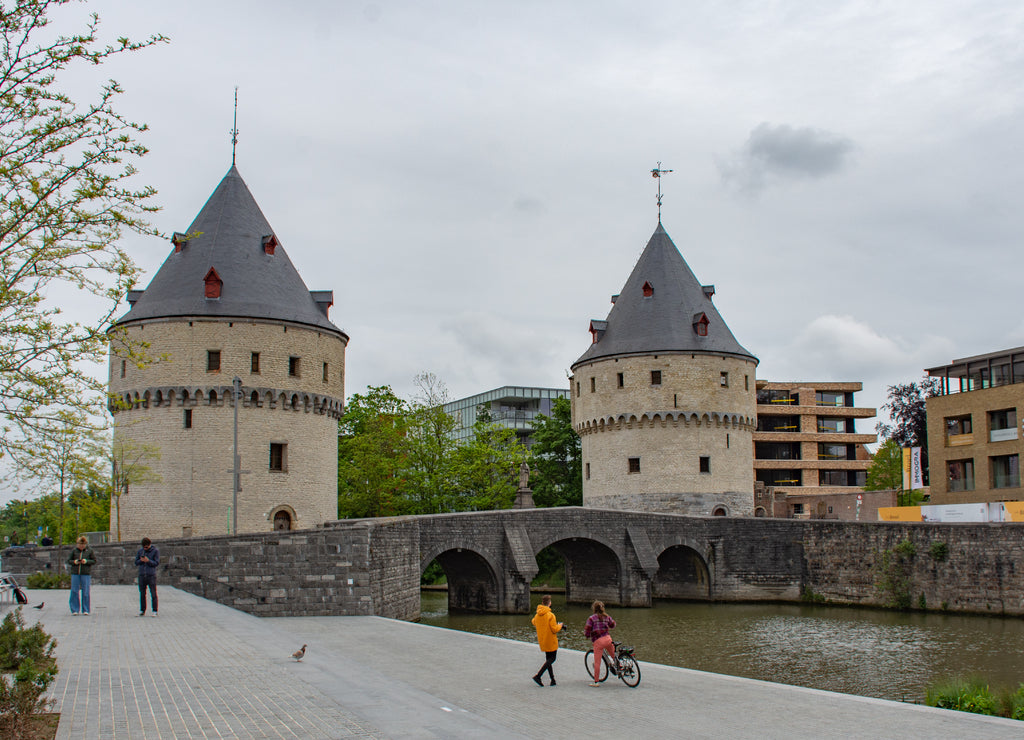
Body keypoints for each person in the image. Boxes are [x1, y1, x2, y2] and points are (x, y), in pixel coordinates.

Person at [531, 594, 563, 686]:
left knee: (548, 660)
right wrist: (560, 626)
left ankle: (552, 680)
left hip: (543, 640)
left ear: (542, 603)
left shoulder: (537, 615)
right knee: (552, 659)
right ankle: (538, 676)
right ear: (549, 603)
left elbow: (533, 622)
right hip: (550, 640)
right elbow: (554, 629)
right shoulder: (550, 615)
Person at [584, 600, 617, 686]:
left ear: (594, 609)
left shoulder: (591, 618)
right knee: (613, 655)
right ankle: (619, 666)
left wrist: (587, 635)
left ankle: (596, 682)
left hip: (598, 641)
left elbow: (587, 629)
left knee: (597, 662)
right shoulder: (606, 617)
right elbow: (613, 625)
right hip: (608, 639)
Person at [67, 536, 96, 615]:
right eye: (80, 544)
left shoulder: (89, 551)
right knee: (74, 591)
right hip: (75, 573)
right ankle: (74, 609)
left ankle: (86, 609)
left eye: (83, 544)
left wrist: (86, 561)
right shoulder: (74, 551)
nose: (81, 546)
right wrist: (75, 562)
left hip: (85, 573)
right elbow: (69, 560)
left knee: (86, 591)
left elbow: (94, 561)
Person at [135, 537, 159, 616]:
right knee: (142, 594)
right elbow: (136, 562)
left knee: (153, 593)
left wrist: (148, 561)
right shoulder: (140, 551)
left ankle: (154, 610)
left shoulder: (155, 551)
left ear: (149, 545)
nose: (145, 548)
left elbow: (156, 563)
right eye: (144, 547)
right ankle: (142, 610)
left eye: (146, 547)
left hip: (151, 575)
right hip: (142, 575)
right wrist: (141, 560)